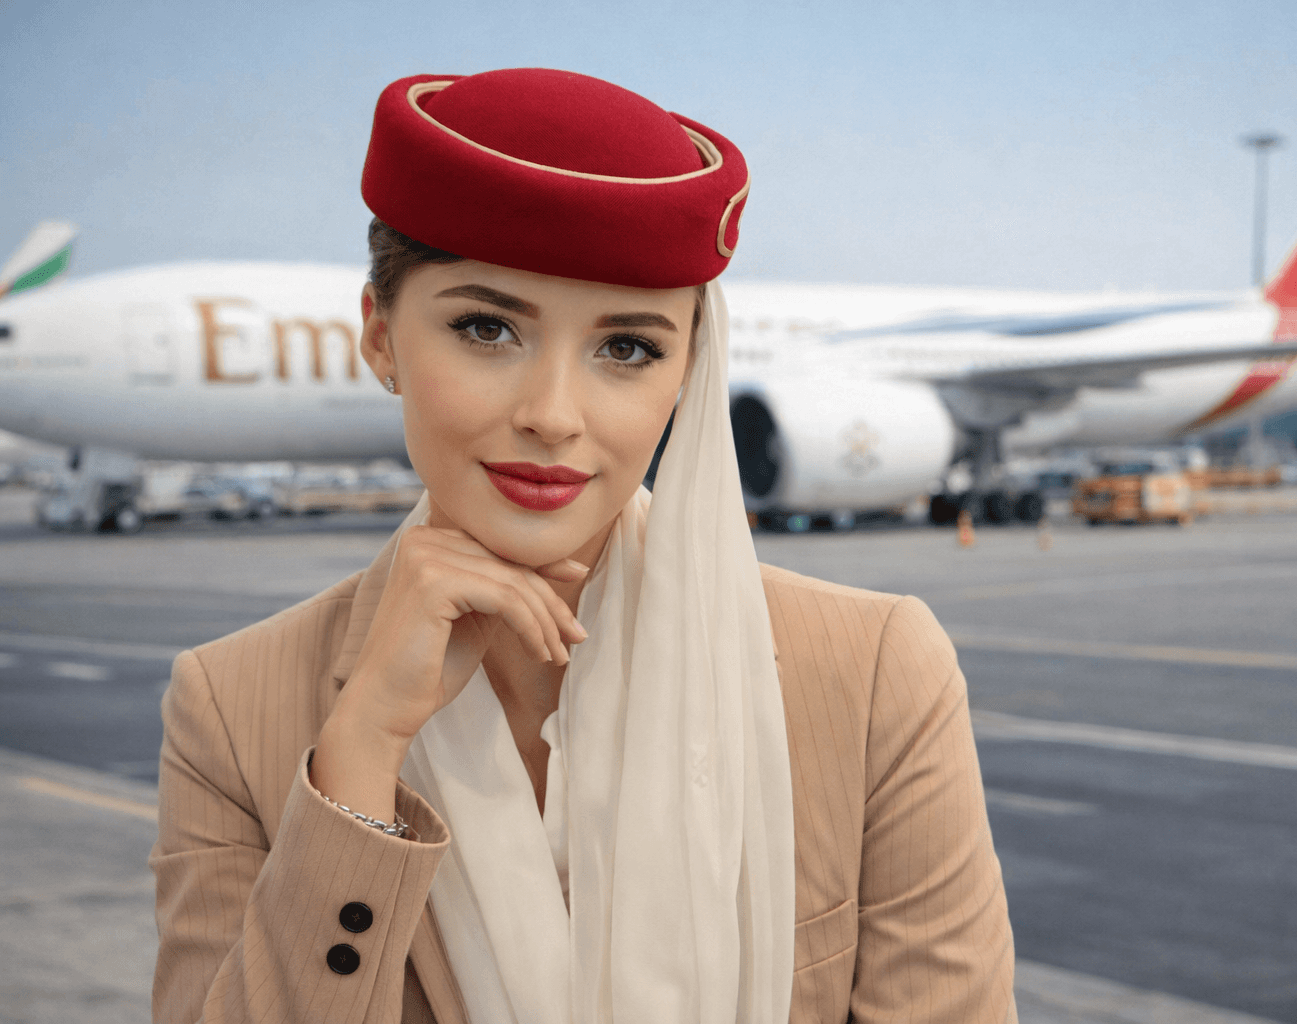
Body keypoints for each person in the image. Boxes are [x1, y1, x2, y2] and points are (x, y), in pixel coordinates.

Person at [150, 68, 1015, 1024]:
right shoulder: (230, 710)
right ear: (382, 337)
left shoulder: (875, 673)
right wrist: (359, 758)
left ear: (688, 372)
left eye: (627, 348)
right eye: (487, 328)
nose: (553, 418)